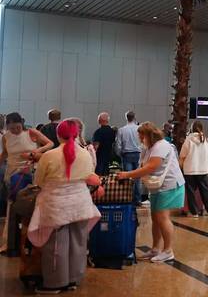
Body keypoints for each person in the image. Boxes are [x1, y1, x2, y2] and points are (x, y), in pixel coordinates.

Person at [29, 119, 102, 294]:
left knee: (56, 244)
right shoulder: (86, 154)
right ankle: (73, 279)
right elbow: (89, 176)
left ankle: (55, 283)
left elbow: (38, 181)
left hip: (56, 205)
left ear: (58, 135)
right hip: (81, 203)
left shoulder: (49, 156)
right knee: (78, 242)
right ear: (77, 134)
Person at [118, 122, 185, 263]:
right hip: (158, 187)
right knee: (155, 218)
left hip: (169, 186)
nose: (140, 138)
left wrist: (127, 174)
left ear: (149, 135)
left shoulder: (161, 146)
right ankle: (155, 248)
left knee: (162, 218)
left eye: (142, 136)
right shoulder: (150, 147)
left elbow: (151, 167)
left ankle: (168, 251)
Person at [0, 113, 54, 254]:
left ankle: (30, 242)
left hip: (29, 173)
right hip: (12, 175)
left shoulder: (31, 132)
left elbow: (50, 143)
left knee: (30, 208)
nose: (15, 131)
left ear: (21, 123)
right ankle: (10, 243)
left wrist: (36, 151)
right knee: (11, 209)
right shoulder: (6, 137)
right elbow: (5, 154)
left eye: (17, 127)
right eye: (11, 128)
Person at [179, 122, 208, 217]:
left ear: (191, 129)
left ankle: (194, 212)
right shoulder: (207, 140)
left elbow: (182, 155)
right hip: (203, 169)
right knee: (205, 191)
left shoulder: (188, 140)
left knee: (191, 192)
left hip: (189, 170)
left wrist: (180, 167)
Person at [116, 111, 143, 205]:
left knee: (128, 177)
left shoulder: (121, 130)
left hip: (126, 155)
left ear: (126, 118)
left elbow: (118, 145)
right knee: (138, 178)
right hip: (138, 154)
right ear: (134, 117)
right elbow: (143, 143)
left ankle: (128, 199)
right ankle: (138, 199)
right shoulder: (139, 129)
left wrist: (120, 154)